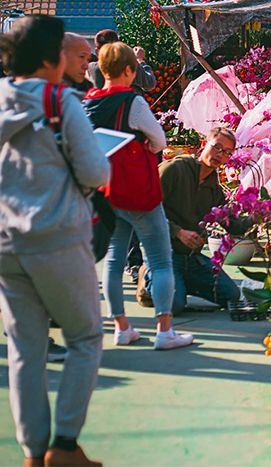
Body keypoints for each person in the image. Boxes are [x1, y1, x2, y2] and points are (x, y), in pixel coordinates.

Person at [0, 15, 110, 467]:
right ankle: (64, 446)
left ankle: (33, 451)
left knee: (25, 348)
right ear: (49, 57)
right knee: (84, 337)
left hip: (1, 239)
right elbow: (96, 172)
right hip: (58, 236)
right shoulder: (60, 100)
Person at [83, 43, 193, 351]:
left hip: (107, 190)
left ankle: (122, 327)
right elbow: (159, 141)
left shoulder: (87, 101)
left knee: (114, 260)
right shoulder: (133, 102)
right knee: (159, 259)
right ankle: (165, 330)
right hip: (138, 192)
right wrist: (145, 142)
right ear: (130, 70)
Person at [156, 127, 242, 314]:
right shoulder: (174, 169)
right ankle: (149, 280)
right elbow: (146, 208)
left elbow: (233, 225)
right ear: (204, 144)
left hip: (191, 259)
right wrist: (177, 232)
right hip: (162, 254)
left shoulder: (215, 190)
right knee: (174, 306)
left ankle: (179, 283)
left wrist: (262, 213)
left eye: (226, 152)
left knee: (231, 295)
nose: (220, 154)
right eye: (217, 147)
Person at [86, 29, 156, 94]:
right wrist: (139, 60)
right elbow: (149, 83)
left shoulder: (90, 69)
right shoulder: (128, 65)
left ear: (97, 50)